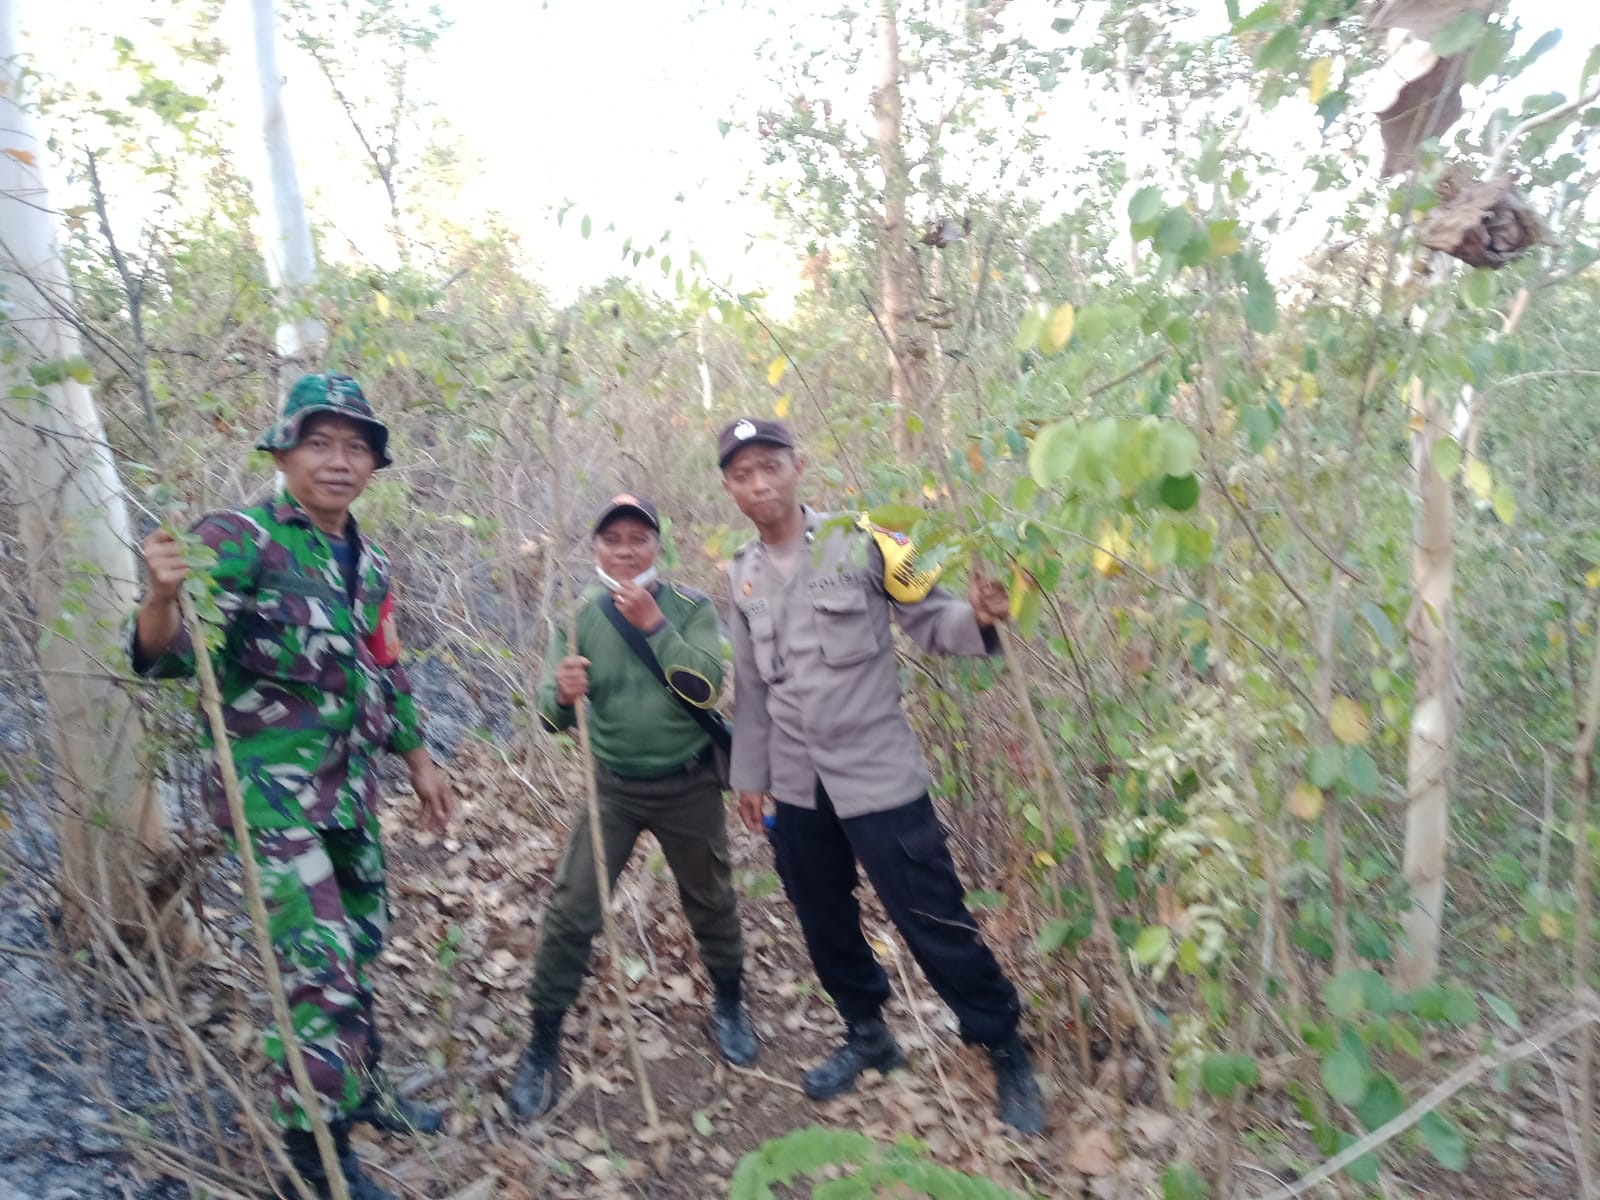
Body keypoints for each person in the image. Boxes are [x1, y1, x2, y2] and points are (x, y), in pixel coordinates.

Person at [128, 373, 453, 1200]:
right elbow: (167, 656)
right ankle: (317, 1154)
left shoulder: (368, 561)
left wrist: (418, 759)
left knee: (360, 943)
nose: (339, 461)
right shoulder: (239, 540)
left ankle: (363, 1087)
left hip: (349, 792)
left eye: (356, 447)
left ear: (373, 465)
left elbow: (383, 662)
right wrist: (160, 596)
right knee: (316, 968)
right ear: (283, 453)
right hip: (271, 801)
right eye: (320, 443)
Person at [718, 417, 1046, 1136]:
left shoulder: (869, 539)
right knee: (823, 917)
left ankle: (1002, 1043)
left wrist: (982, 617)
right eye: (742, 475)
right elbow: (751, 683)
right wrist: (750, 775)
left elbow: (934, 618)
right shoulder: (740, 573)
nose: (759, 483)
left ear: (798, 466)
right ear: (730, 489)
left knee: (932, 915)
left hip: (878, 772)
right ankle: (867, 1034)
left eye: (769, 466)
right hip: (796, 784)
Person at [507, 495, 755, 1119]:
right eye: (612, 539)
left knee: (711, 898)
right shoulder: (577, 618)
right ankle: (542, 1041)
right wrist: (564, 697)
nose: (625, 550)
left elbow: (706, 685)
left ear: (656, 547)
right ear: (596, 548)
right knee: (571, 910)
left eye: (638, 538)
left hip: (688, 783)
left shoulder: (691, 608)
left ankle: (729, 1001)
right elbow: (549, 716)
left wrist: (653, 625)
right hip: (612, 789)